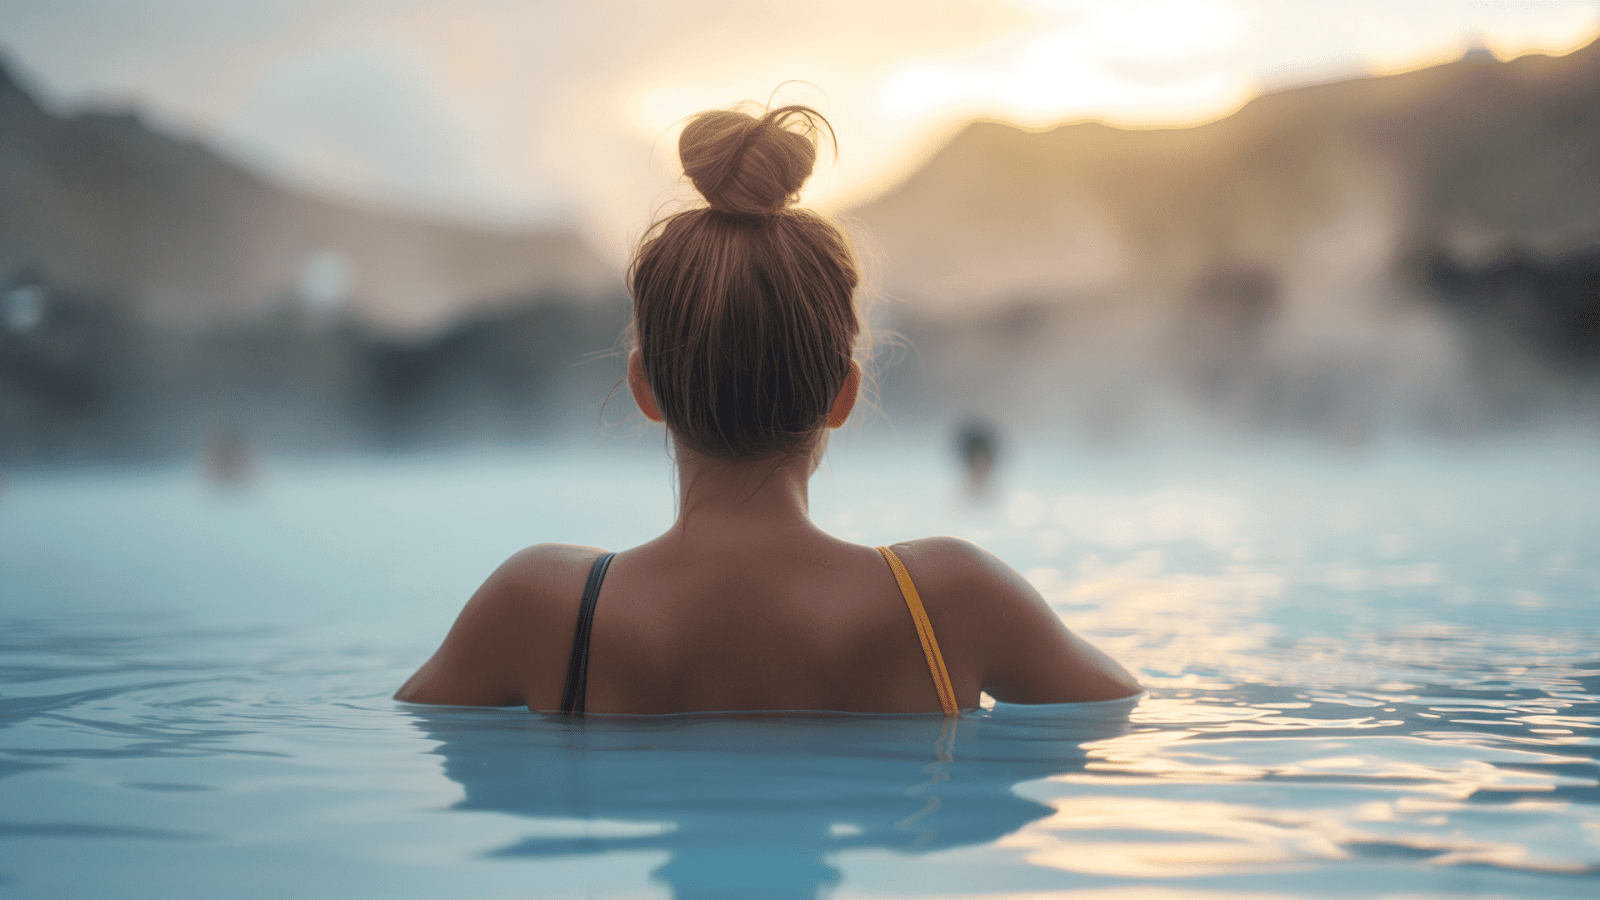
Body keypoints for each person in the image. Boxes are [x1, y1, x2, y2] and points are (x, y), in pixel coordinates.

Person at [396, 104, 1139, 714]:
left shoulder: (540, 609)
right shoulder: (955, 600)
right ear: (842, 395)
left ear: (643, 390)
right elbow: (1122, 711)